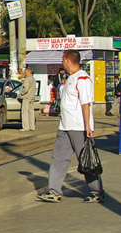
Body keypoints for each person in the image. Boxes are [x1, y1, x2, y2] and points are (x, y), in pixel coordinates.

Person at [39, 50, 104, 203]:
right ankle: (54, 191)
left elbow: (85, 104)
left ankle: (97, 191)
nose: (62, 62)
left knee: (85, 159)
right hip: (65, 126)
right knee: (58, 158)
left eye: (63, 59)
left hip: (79, 126)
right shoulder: (70, 78)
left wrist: (88, 125)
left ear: (67, 60)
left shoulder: (82, 78)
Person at [19, 66, 37, 131]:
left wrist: (21, 93)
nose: (24, 73)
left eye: (25, 72)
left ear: (29, 72)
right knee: (31, 112)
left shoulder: (27, 79)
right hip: (32, 97)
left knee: (25, 113)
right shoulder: (33, 79)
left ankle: (26, 127)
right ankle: (32, 127)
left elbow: (25, 88)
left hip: (26, 97)